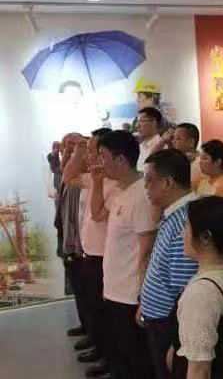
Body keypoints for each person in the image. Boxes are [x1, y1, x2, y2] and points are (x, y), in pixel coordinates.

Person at [92, 130, 157, 379]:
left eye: (103, 156)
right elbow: (97, 215)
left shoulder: (142, 195)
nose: (100, 162)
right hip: (114, 290)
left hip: (130, 297)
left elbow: (146, 250)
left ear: (120, 159)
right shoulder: (121, 191)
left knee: (135, 362)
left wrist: (143, 299)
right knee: (120, 357)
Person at [62, 128, 120, 378]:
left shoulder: (114, 184)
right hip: (89, 254)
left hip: (105, 258)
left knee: (104, 315)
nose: (89, 155)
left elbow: (97, 215)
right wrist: (76, 153)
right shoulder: (91, 177)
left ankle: (109, 359)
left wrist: (96, 180)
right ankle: (101, 350)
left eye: (93, 151)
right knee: (94, 310)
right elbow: (67, 176)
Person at [139, 149, 198, 379]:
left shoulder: (187, 220)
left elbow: (184, 288)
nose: (145, 187)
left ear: (168, 182)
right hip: (158, 319)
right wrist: (144, 303)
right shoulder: (174, 214)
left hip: (169, 325)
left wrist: (177, 340)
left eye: (149, 181)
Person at [171, 196, 223, 379]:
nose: (182, 234)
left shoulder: (201, 293)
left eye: (186, 227)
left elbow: (199, 369)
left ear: (205, 237)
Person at [55, 133, 92, 350]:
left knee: (88, 293)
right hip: (68, 242)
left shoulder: (83, 179)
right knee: (79, 290)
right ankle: (86, 325)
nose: (69, 149)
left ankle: (93, 334)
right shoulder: (66, 177)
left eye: (74, 145)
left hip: (80, 245)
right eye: (66, 145)